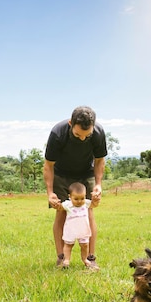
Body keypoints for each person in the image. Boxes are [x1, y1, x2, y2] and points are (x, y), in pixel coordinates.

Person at [43, 106, 107, 271]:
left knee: (89, 212)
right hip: (61, 174)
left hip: (86, 173)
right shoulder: (58, 133)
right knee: (61, 212)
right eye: (78, 135)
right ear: (71, 123)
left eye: (87, 136)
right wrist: (50, 193)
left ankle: (90, 259)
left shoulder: (98, 133)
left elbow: (99, 160)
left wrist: (98, 184)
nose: (82, 139)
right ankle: (61, 258)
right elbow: (48, 165)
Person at [56, 182, 99, 268]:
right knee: (68, 245)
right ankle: (66, 259)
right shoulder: (68, 204)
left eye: (82, 198)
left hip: (83, 229)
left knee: (85, 245)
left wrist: (95, 200)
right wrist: (57, 204)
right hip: (71, 229)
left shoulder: (86, 203)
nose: (79, 201)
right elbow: (60, 207)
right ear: (70, 197)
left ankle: (85, 259)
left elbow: (94, 205)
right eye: (76, 199)